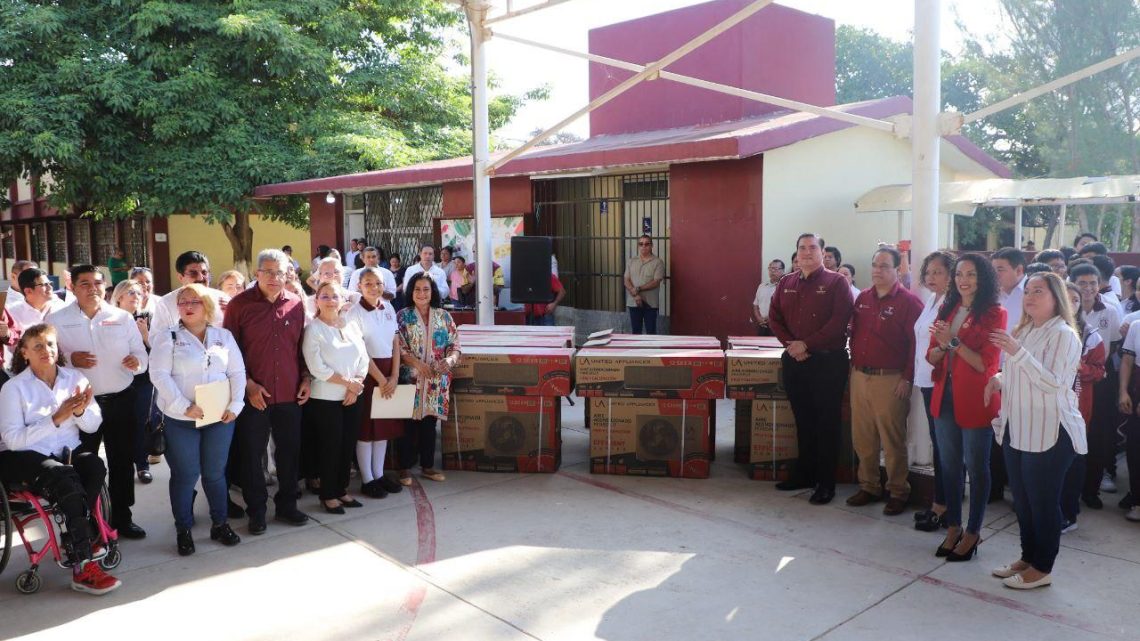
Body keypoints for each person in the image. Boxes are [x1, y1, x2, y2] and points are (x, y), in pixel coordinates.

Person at [0, 324, 122, 595]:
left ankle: (76, 533)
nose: (47, 350)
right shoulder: (14, 388)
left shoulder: (74, 378)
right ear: (25, 353)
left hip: (66, 453)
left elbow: (92, 426)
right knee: (64, 478)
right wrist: (56, 418)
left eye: (51, 344)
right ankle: (82, 565)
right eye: (38, 346)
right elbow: (13, 440)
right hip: (24, 457)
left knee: (94, 464)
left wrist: (79, 412)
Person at [986, 272, 1085, 589]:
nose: (1029, 297)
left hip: (1050, 431)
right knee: (1024, 502)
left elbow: (1053, 382)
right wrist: (999, 379)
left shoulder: (1064, 335)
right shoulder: (1026, 330)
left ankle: (1043, 568)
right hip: (1018, 427)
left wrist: (1017, 352)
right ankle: (1028, 557)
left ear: (1056, 298)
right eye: (1027, 291)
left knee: (1043, 503)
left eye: (1038, 291)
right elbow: (1017, 371)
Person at [47, 265, 149, 540]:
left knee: (122, 461)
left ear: (105, 286)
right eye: (84, 284)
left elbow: (141, 353)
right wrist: (69, 359)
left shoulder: (122, 317)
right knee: (84, 463)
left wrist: (137, 363)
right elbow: (46, 359)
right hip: (79, 405)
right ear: (72, 288)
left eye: (97, 283)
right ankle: (86, 521)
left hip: (121, 399)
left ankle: (123, 518)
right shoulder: (57, 318)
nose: (92, 288)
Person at [150, 284, 245, 555]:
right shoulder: (167, 337)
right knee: (186, 474)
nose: (188, 306)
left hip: (218, 416)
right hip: (181, 418)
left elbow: (237, 372)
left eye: (195, 301)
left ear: (207, 306)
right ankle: (184, 528)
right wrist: (183, 405)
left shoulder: (222, 336)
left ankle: (219, 523)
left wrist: (236, 404)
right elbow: (158, 375)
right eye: (182, 302)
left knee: (215, 474)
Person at [223, 248, 311, 535]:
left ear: (288, 275)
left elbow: (300, 348)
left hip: (289, 393)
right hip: (253, 395)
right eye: (268, 272)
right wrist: (247, 384)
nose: (275, 278)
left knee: (290, 452)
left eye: (281, 272)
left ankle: (287, 504)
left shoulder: (297, 304)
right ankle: (257, 511)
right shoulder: (239, 306)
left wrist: (306, 378)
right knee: (252, 455)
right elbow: (228, 352)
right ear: (257, 274)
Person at [926, 253, 1005, 562]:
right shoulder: (948, 308)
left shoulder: (994, 314)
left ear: (983, 278)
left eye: (971, 274)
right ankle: (953, 526)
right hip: (943, 395)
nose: (963, 280)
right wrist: (943, 346)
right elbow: (931, 356)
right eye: (959, 274)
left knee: (976, 466)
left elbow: (985, 365)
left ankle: (973, 531)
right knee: (948, 465)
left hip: (975, 399)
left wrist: (953, 343)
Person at [768, 233, 854, 505]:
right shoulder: (786, 282)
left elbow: (839, 321)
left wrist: (806, 343)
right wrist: (792, 345)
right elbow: (774, 317)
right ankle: (804, 474)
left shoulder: (837, 282)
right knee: (803, 421)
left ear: (822, 251)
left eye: (812, 247)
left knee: (826, 424)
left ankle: (826, 483)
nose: (806, 252)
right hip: (796, 361)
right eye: (802, 248)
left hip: (828, 362)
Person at [846, 247, 924, 515]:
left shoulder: (909, 303)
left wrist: (907, 378)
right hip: (859, 375)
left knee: (892, 439)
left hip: (890, 379)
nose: (878, 270)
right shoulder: (863, 298)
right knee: (863, 436)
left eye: (885, 266)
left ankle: (898, 491)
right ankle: (869, 486)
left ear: (897, 270)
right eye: (875, 265)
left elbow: (917, 345)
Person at [303, 281, 369, 514]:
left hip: (353, 396)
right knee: (330, 447)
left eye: (335, 296)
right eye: (325, 296)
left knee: (347, 445)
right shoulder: (313, 329)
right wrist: (347, 383)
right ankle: (328, 494)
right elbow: (316, 367)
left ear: (342, 300)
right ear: (316, 300)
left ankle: (341, 490)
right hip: (326, 399)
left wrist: (355, 386)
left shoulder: (350, 325)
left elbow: (364, 357)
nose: (331, 300)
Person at [344, 267, 405, 499]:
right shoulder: (354, 313)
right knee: (366, 429)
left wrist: (395, 376)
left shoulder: (388, 307)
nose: (374, 287)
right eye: (368, 283)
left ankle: (379, 474)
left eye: (378, 283)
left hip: (389, 371)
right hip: (368, 374)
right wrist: (380, 378)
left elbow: (396, 342)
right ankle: (367, 479)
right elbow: (359, 350)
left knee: (383, 428)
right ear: (359, 286)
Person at [396, 272, 461, 485]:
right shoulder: (403, 316)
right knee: (406, 425)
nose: (422, 293)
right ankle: (403, 468)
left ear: (432, 291)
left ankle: (428, 466)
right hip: (409, 380)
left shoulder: (444, 316)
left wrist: (450, 361)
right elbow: (399, 346)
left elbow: (455, 346)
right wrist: (417, 364)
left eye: (426, 289)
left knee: (429, 424)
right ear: (410, 292)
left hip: (435, 380)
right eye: (417, 289)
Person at [1069, 263, 1122, 509]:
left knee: (1097, 437)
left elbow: (1113, 346)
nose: (1088, 288)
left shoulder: (1110, 311)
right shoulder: (1064, 308)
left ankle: (1091, 490)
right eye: (1082, 283)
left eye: (1093, 283)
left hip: (1098, 379)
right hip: (1068, 382)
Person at [912, 251, 956, 532]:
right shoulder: (932, 299)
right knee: (938, 442)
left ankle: (944, 506)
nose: (931, 277)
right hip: (926, 378)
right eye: (928, 272)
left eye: (938, 272)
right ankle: (941, 501)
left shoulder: (953, 305)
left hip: (942, 381)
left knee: (945, 447)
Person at [1060, 281, 1104, 533]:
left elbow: (1100, 371)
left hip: (1076, 405)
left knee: (1073, 459)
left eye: (1075, 299)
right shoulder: (1041, 328)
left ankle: (1068, 513)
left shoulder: (1090, 334)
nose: (1070, 304)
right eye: (1065, 298)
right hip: (1045, 405)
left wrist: (1079, 367)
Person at [110, 280, 155, 484]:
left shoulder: (148, 318)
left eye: (139, 292)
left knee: (140, 423)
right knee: (119, 426)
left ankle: (142, 464)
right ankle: (122, 467)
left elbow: (161, 352)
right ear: (119, 296)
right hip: (115, 380)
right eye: (130, 292)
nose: (136, 295)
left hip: (143, 381)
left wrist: (146, 337)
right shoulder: (109, 319)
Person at [151, 251, 229, 338]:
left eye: (204, 272)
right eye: (193, 273)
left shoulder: (223, 298)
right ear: (180, 277)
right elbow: (156, 339)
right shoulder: (166, 303)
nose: (200, 278)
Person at [1117, 318, 1140, 522]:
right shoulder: (1136, 325)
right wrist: (1123, 391)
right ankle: (1137, 500)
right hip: (1136, 391)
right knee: (1134, 449)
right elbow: (1127, 360)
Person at [623, 235, 666, 335]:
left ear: (652, 246)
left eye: (647, 244)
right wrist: (636, 295)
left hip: (650, 304)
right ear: (638, 246)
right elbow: (626, 280)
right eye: (641, 244)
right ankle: (636, 351)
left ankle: (650, 351)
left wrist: (638, 289)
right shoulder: (631, 261)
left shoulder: (658, 262)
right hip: (633, 302)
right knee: (636, 332)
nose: (644, 246)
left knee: (651, 332)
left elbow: (656, 282)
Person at [993, 247, 1027, 332]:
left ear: (1019, 270)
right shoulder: (991, 294)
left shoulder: (1035, 293)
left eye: (1000, 270)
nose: (994, 275)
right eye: (992, 270)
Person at [752, 259, 785, 336]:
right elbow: (755, 305)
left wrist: (771, 318)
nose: (772, 271)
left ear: (783, 271)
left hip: (778, 326)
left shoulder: (785, 287)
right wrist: (759, 318)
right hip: (762, 325)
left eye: (775, 269)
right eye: (770, 268)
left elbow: (786, 308)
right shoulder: (762, 286)